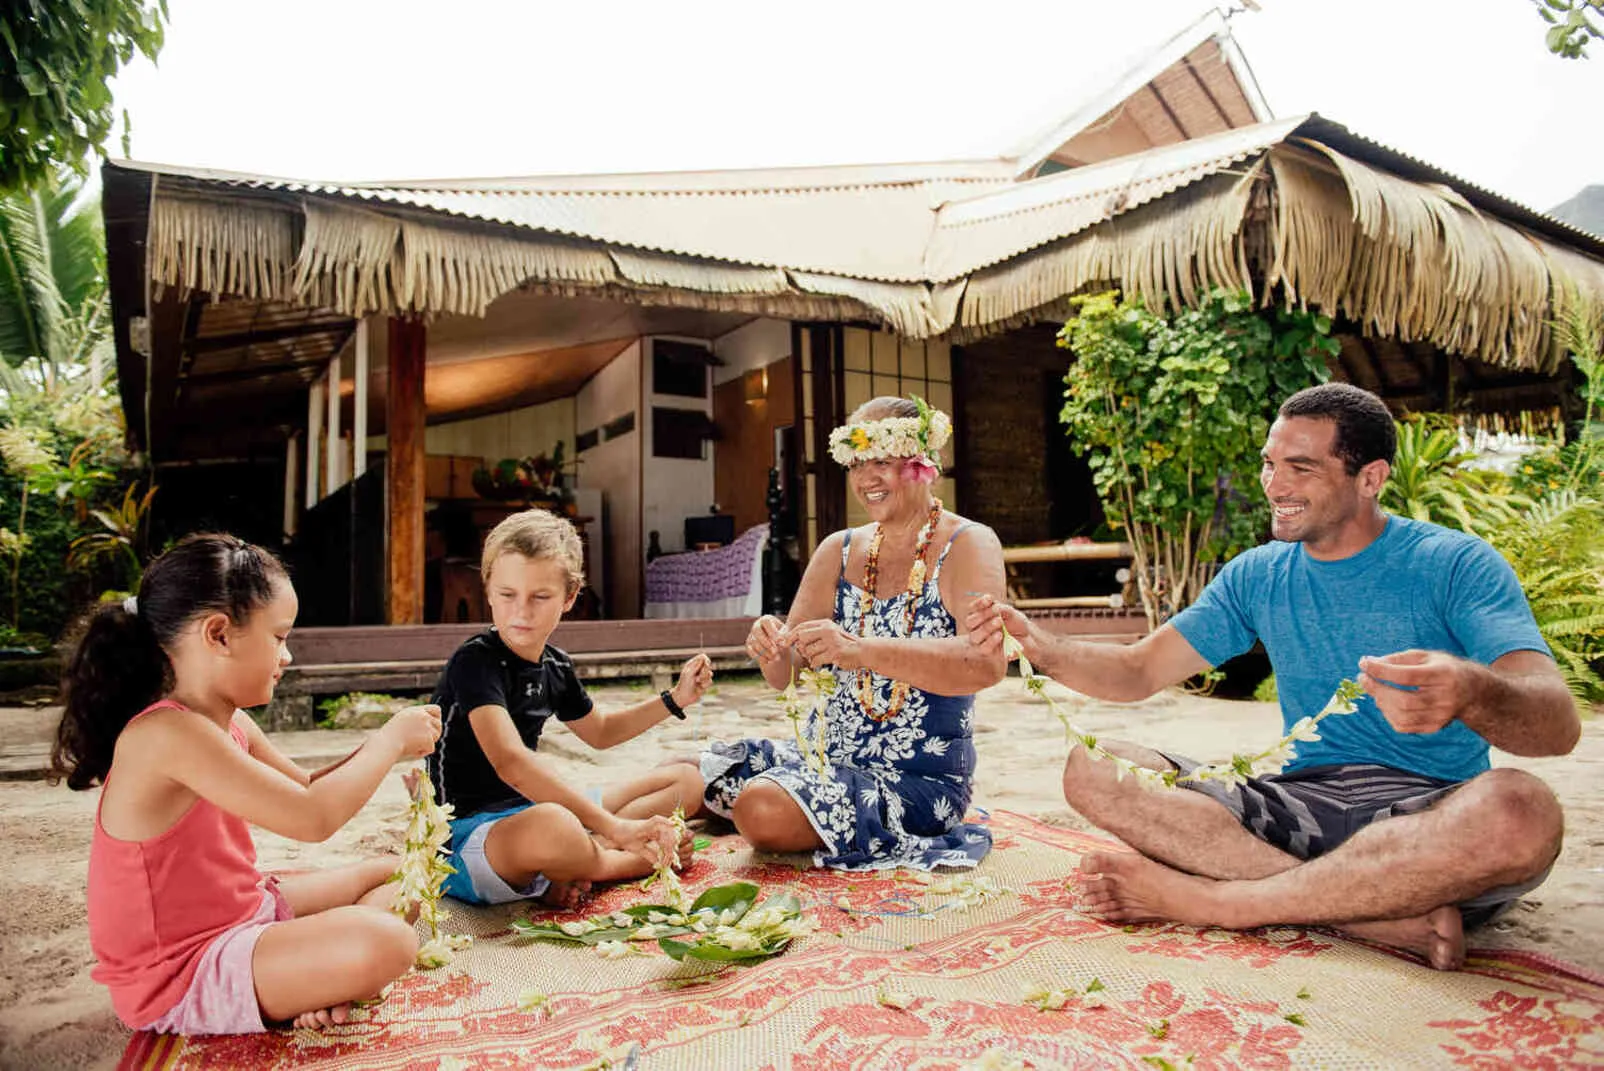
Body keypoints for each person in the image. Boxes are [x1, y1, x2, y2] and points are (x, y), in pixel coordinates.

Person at [968, 382, 1579, 970]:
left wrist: (1471, 688)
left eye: (1302, 468)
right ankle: (1361, 917)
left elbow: (1556, 725)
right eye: (1269, 463)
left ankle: (1222, 901)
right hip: (1300, 808)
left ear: (1370, 478)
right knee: (1093, 767)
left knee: (1523, 810)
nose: (1274, 486)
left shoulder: (1456, 564)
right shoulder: (1257, 574)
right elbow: (1138, 670)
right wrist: (1040, 646)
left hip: (1427, 826)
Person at [50, 534, 443, 1035]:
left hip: (243, 913)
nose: (288, 656)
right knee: (389, 943)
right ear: (218, 634)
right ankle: (314, 973)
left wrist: (384, 749)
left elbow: (305, 786)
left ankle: (309, 977)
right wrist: (389, 741)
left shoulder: (227, 720)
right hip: (182, 971)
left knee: (404, 873)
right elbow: (311, 817)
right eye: (279, 637)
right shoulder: (166, 733)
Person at [686, 396, 1008, 870]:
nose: (865, 479)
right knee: (683, 776)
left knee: (759, 807)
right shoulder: (837, 549)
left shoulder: (968, 544)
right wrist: (771, 647)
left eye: (881, 461)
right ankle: (590, 838)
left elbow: (986, 663)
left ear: (921, 462)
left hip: (916, 783)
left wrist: (862, 650)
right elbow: (787, 676)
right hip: (820, 760)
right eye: (856, 464)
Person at [428, 509, 709, 909]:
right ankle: (630, 861)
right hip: (467, 838)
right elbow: (511, 763)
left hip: (529, 810)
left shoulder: (555, 666)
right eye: (507, 595)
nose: (521, 611)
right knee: (556, 826)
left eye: (540, 597)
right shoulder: (474, 661)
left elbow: (602, 731)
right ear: (488, 589)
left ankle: (574, 861)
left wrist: (675, 700)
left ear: (570, 596)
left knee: (684, 781)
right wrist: (618, 828)